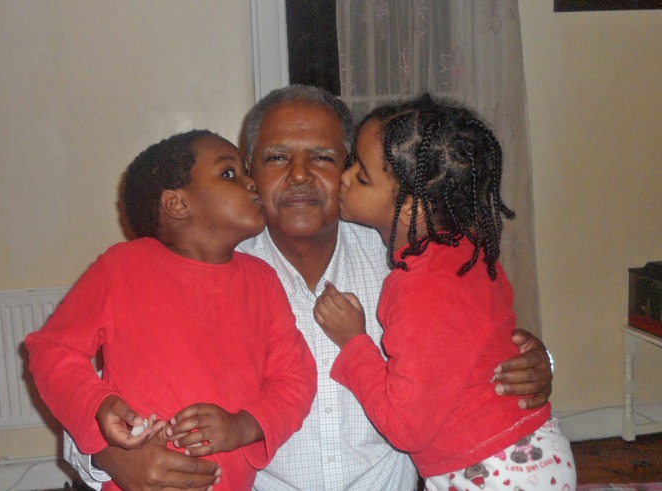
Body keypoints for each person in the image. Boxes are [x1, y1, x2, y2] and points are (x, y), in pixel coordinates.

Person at [66, 85, 555, 491]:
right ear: (251, 172)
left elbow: (479, 338)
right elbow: (82, 381)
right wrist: (109, 456)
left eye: (322, 157)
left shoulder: (406, 259)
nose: (300, 176)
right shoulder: (201, 273)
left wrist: (534, 362)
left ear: (351, 171)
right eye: (277, 157)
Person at [26, 130, 317, 490]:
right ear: (177, 204)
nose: (251, 183)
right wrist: (98, 409)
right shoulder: (122, 269)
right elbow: (53, 350)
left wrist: (244, 425)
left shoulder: (262, 281)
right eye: (229, 173)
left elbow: (295, 377)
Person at [314, 95, 575, 490]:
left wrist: (353, 343)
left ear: (409, 211)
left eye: (361, 175)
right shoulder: (467, 250)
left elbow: (406, 428)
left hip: (491, 472)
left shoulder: (419, 287)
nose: (344, 178)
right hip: (530, 451)